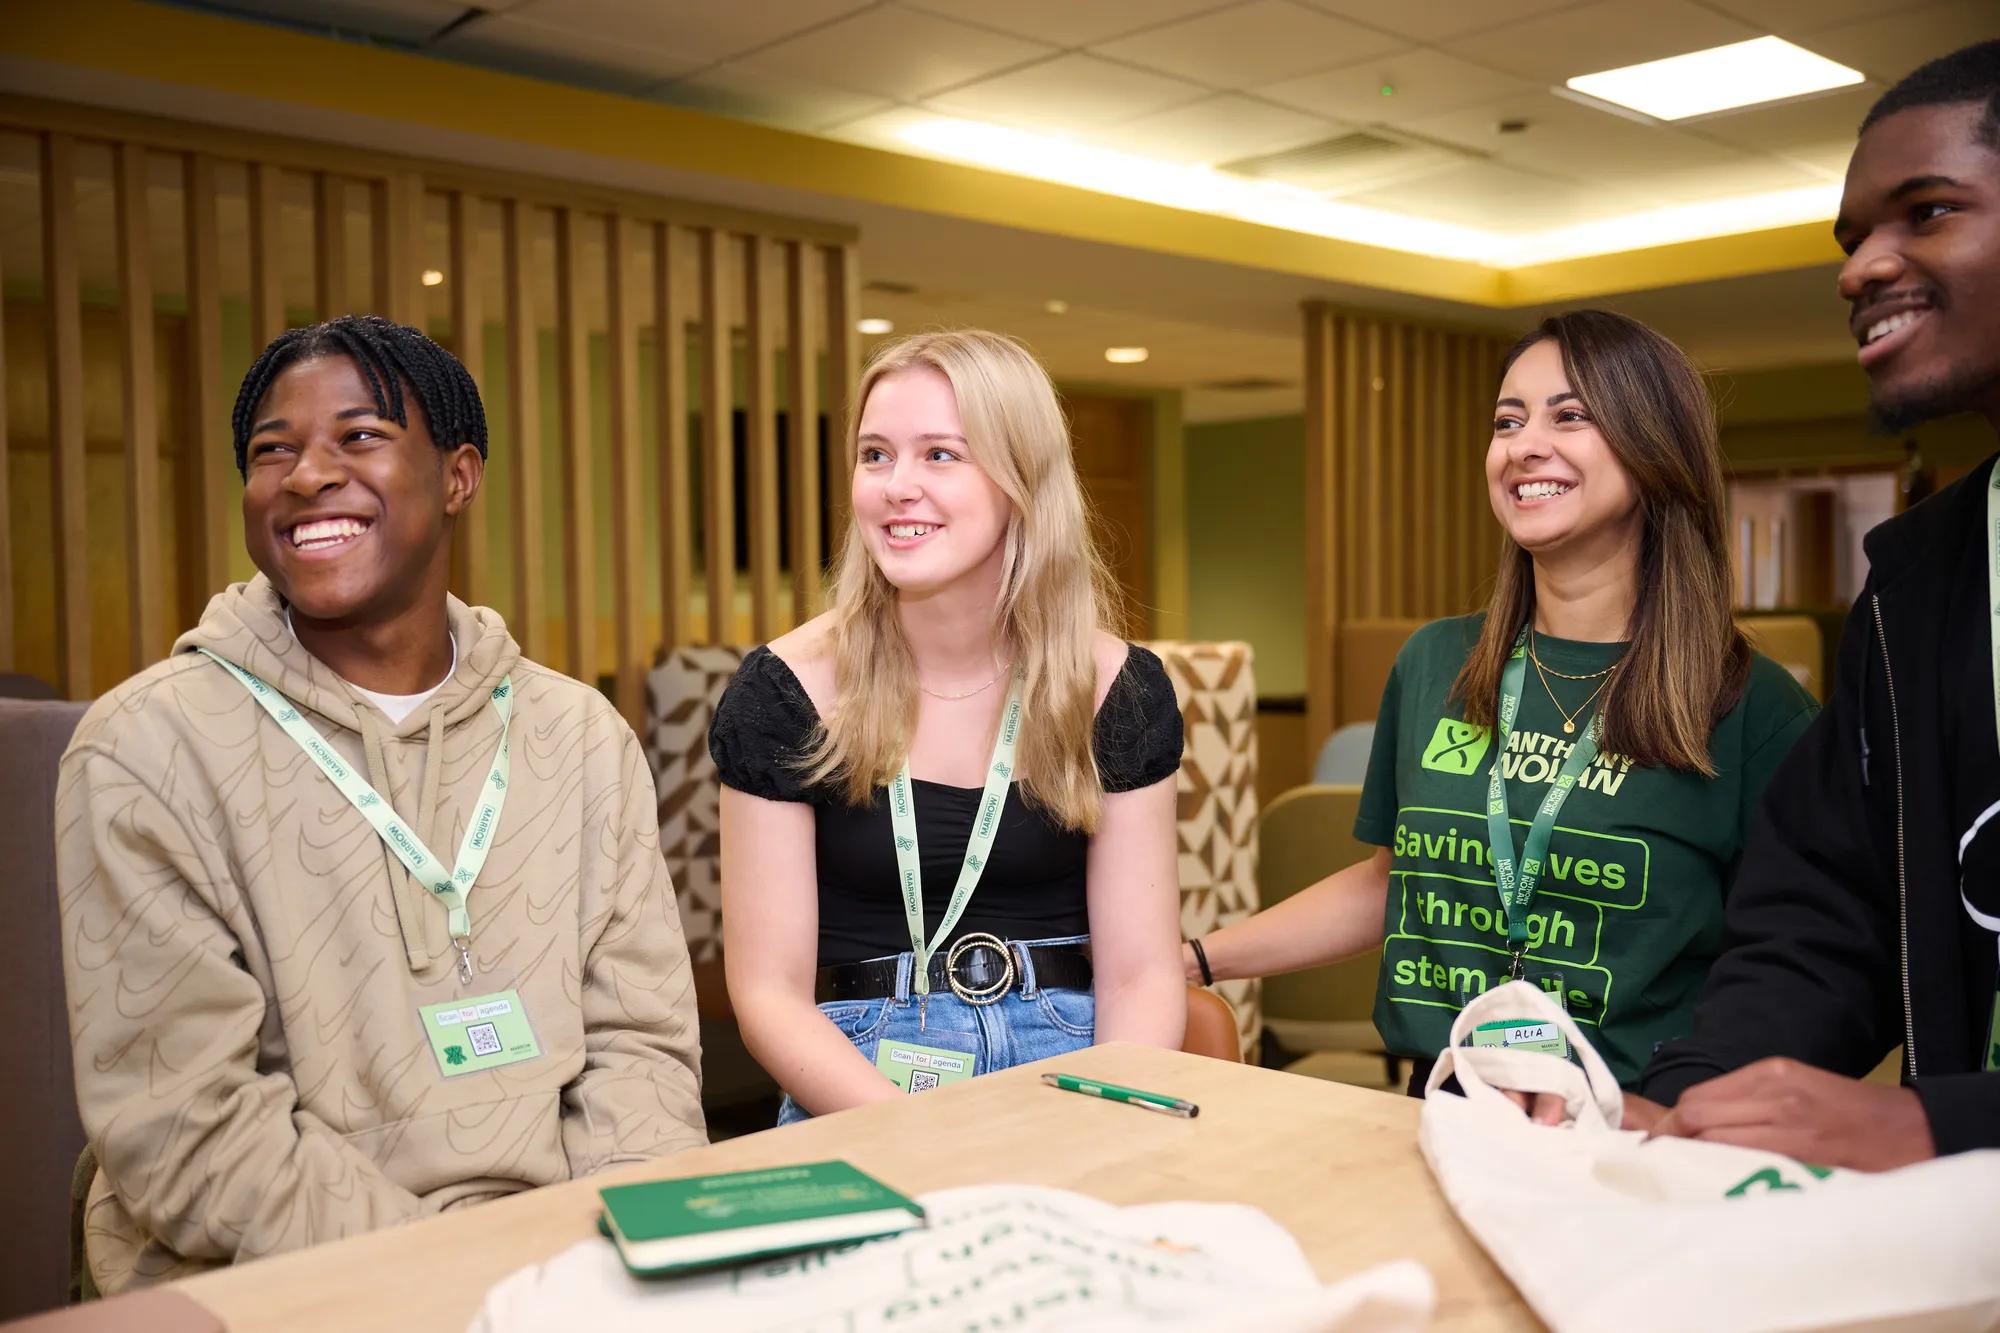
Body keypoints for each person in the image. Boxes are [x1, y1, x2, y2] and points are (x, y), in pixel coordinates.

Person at [56, 316, 706, 1294]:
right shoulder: (148, 744)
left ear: (457, 477)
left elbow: (638, 1044)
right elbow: (186, 1126)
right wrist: (463, 1277)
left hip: (561, 1263)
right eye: (272, 450)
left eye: (358, 437)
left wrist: (609, 1264)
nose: (307, 473)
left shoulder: (576, 734)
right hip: (274, 1276)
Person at [1187, 310, 1817, 1096]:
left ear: (1654, 449)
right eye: (1507, 420)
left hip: (1637, 1128)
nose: (1524, 445)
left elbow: (1795, 964)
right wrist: (1196, 957)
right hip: (1440, 1108)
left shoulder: (1753, 706)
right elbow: (1391, 881)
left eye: (1570, 415)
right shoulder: (1436, 664)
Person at [1635, 40, 2000, 1167]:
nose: (1856, 271)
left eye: (1926, 212)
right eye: (1850, 242)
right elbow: (1825, 918)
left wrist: (1938, 1121)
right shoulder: (1917, 585)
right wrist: (1693, 1100)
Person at [711, 329, 1185, 1123]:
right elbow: (767, 993)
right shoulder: (784, 690)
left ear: (1022, 479)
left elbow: (1141, 975)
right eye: (874, 455)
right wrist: (914, 1134)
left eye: (939, 455)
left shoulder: (1116, 690)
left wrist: (1107, 1123)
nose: (897, 486)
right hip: (858, 1078)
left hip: (1074, 1062)